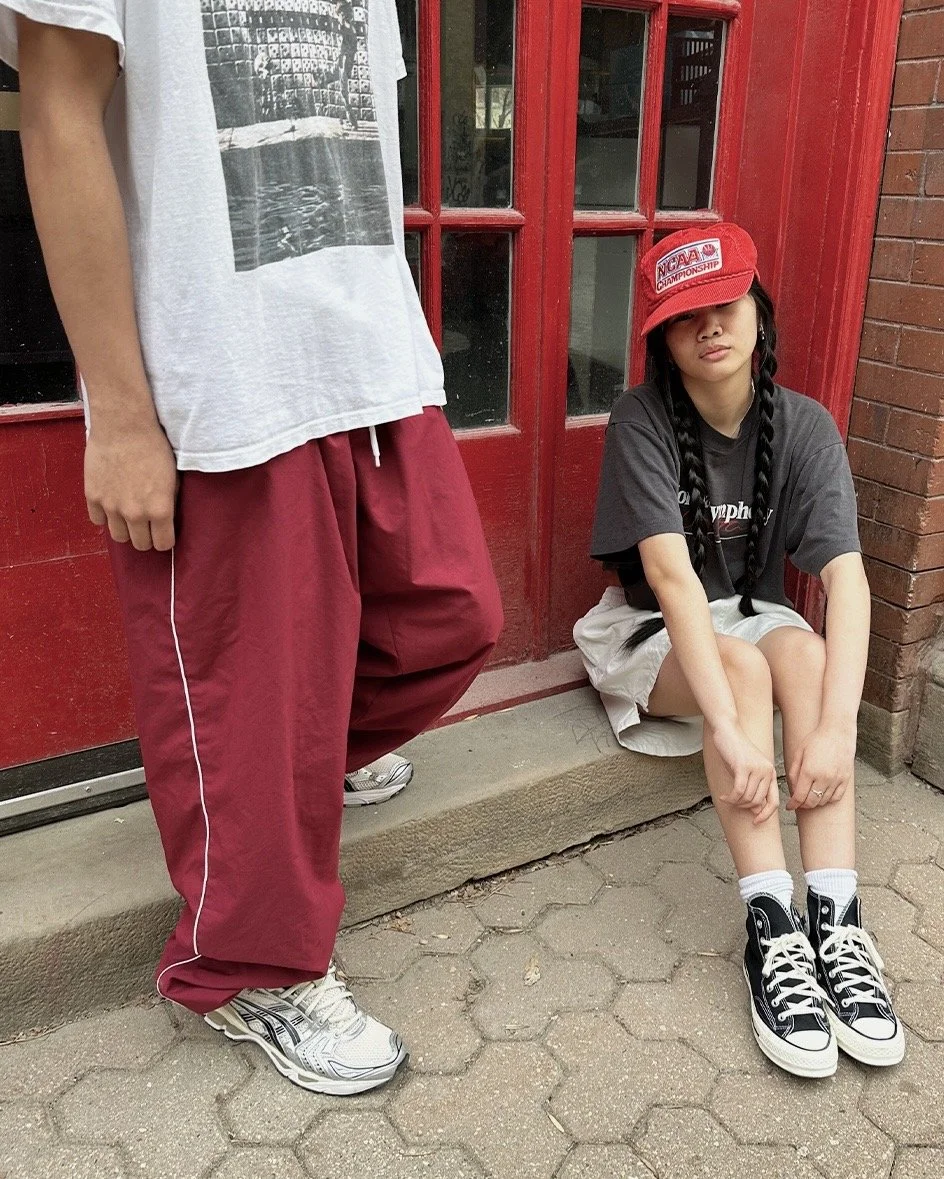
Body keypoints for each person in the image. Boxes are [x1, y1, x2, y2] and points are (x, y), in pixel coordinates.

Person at [3, 0, 502, 1095]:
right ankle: (247, 971)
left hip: (365, 354)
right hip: (215, 380)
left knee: (452, 616)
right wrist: (124, 417)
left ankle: (270, 789)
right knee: (251, 695)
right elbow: (56, 111)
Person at [574, 224, 903, 1078]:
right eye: (688, 318)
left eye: (727, 306)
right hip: (653, 629)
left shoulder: (804, 427)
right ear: (663, 341)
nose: (711, 328)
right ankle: (770, 928)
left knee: (804, 663)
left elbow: (849, 582)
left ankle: (835, 914)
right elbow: (671, 581)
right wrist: (726, 728)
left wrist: (836, 732)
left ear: (759, 312)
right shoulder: (642, 419)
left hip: (750, 612)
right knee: (749, 668)